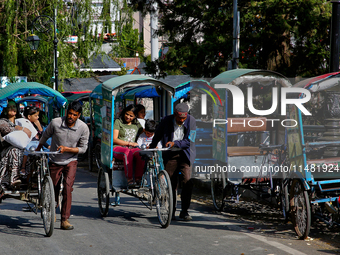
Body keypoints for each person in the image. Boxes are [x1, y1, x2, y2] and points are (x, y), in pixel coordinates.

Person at [36, 101, 89, 230]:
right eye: (70, 113)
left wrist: (67, 149)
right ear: (66, 112)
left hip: (71, 160)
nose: (71, 116)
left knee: (67, 188)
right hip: (55, 159)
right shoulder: (55, 122)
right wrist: (38, 149)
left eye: (74, 115)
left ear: (79, 115)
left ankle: (65, 219)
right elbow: (45, 136)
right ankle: (51, 210)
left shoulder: (83, 128)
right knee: (52, 187)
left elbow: (83, 149)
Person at [149, 103, 196, 221]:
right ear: (175, 114)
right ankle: (171, 210)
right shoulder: (166, 120)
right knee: (171, 183)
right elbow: (158, 135)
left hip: (186, 154)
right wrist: (151, 148)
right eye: (179, 118)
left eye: (183, 118)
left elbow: (191, 140)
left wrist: (175, 143)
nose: (181, 120)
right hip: (170, 154)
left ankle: (184, 211)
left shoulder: (192, 121)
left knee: (187, 181)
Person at [0, 100, 31, 191]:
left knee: (31, 152)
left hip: (24, 148)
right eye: (9, 107)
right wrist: (22, 129)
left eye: (14, 107)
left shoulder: (21, 121)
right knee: (15, 150)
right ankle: (14, 179)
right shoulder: (2, 121)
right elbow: (9, 130)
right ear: (5, 110)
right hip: (6, 150)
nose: (12, 109)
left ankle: (29, 179)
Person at [112, 104, 144, 185]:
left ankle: (138, 178)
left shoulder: (136, 123)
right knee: (127, 152)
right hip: (118, 148)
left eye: (131, 116)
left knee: (141, 153)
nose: (128, 117)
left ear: (135, 116)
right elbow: (114, 139)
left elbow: (144, 132)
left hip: (132, 148)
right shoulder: (118, 122)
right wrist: (130, 143)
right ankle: (129, 179)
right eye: (127, 114)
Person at [20, 106, 45, 175]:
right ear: (29, 116)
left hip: (37, 143)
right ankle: (23, 167)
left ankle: (44, 168)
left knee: (43, 153)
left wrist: (39, 127)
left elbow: (43, 136)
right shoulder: (25, 124)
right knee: (26, 151)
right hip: (29, 143)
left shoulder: (38, 125)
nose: (38, 117)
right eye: (36, 116)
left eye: (38, 115)